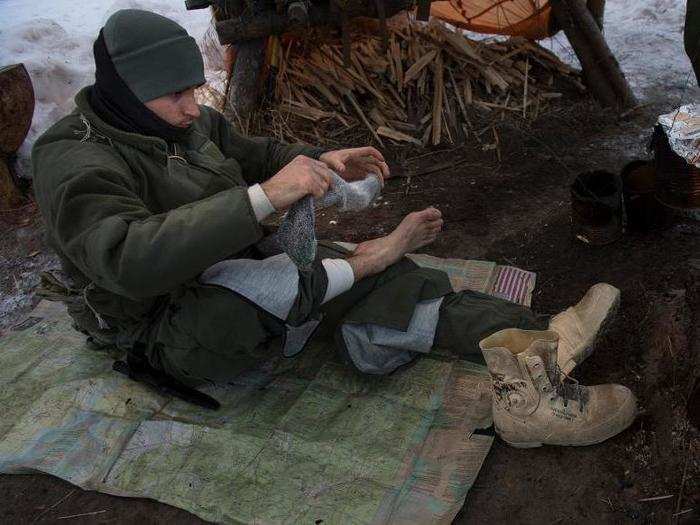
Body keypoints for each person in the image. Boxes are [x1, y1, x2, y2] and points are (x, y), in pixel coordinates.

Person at [32, 9, 636, 448]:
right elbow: (129, 261)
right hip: (161, 328)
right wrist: (265, 199)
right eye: (175, 96)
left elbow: (249, 149)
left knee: (371, 270)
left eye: (194, 89)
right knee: (286, 289)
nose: (193, 107)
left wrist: (320, 160)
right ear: (125, 93)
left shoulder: (181, 124)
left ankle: (533, 353)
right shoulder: (75, 160)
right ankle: (325, 296)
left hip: (227, 264)